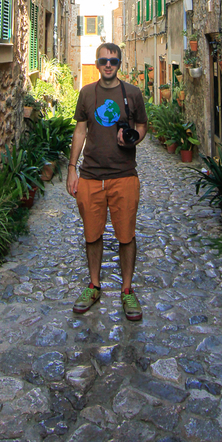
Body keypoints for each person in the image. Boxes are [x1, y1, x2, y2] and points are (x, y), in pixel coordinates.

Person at [66, 42, 147, 320]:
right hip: (90, 176)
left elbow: (142, 125)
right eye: (103, 60)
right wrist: (71, 168)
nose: (108, 65)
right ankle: (94, 285)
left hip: (124, 175)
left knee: (126, 235)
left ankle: (126, 290)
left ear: (120, 64)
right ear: (97, 63)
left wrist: (133, 137)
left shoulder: (133, 93)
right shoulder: (87, 93)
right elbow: (80, 130)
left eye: (113, 61)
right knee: (92, 234)